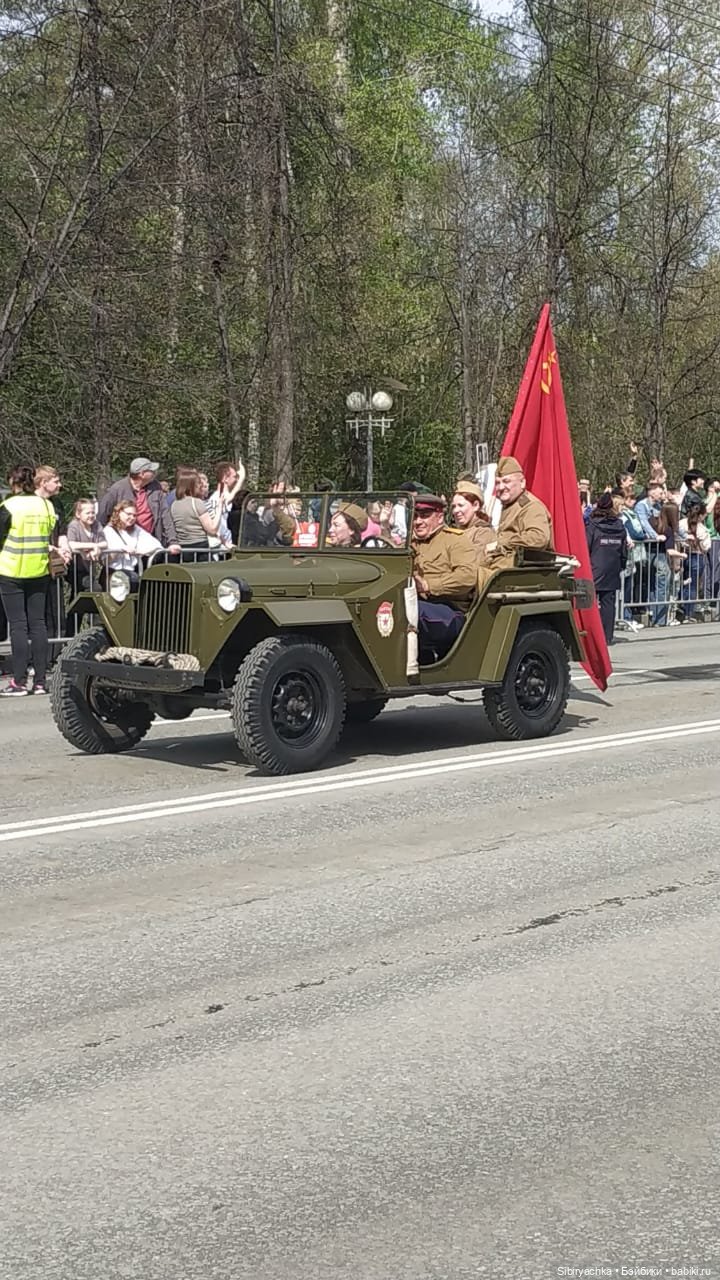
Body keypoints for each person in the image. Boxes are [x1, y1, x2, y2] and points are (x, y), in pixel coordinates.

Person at [0, 464, 58, 695]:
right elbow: (50, 530)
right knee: (38, 625)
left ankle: (19, 681)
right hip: (39, 570)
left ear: (13, 482)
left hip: (11, 570)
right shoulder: (46, 505)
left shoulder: (8, 506)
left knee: (18, 626)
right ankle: (41, 681)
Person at [411, 494, 478, 659]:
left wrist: (427, 585)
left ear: (439, 517)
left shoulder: (455, 540)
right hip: (419, 604)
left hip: (451, 609)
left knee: (408, 612)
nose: (418, 521)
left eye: (425, 516)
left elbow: (467, 577)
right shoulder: (409, 544)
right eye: (415, 516)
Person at [478, 456, 553, 584]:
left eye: (506, 481)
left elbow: (538, 538)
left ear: (522, 483)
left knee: (468, 579)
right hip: (505, 569)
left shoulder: (531, 507)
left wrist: (502, 542)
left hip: (521, 573)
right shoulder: (510, 506)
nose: (501, 487)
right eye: (497, 483)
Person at [97, 457, 179, 551]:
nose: (154, 473)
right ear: (142, 474)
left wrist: (173, 542)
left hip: (152, 542)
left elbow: (165, 515)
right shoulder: (117, 489)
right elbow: (102, 516)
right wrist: (100, 542)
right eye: (151, 471)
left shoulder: (156, 487)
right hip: (126, 545)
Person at [585, 491, 627, 645]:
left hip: (594, 566)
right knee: (608, 603)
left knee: (589, 602)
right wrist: (621, 564)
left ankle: (590, 635)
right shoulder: (619, 525)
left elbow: (586, 545)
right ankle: (607, 636)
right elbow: (623, 549)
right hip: (612, 567)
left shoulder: (592, 525)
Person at [103, 501, 164, 583]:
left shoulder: (136, 529)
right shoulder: (108, 531)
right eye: (128, 514)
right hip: (113, 573)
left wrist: (140, 551)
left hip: (130, 571)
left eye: (134, 515)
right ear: (119, 512)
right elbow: (105, 560)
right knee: (133, 580)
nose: (132, 518)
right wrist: (120, 549)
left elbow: (156, 545)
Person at [170, 469, 224, 557]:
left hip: (183, 549)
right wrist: (220, 507)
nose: (200, 486)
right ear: (191, 485)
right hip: (200, 549)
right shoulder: (197, 503)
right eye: (198, 483)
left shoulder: (174, 504)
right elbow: (212, 529)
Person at [66, 498, 107, 592]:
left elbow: (104, 543)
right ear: (78, 514)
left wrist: (96, 547)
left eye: (93, 513)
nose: (91, 515)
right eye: (88, 513)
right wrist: (93, 545)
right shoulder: (74, 525)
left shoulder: (96, 524)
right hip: (75, 568)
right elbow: (71, 544)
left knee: (79, 592)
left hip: (89, 568)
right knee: (95, 588)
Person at [450, 480, 495, 556]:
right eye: (454, 506)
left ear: (475, 505)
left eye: (461, 505)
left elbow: (473, 559)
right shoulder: (457, 532)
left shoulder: (483, 533)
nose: (455, 510)